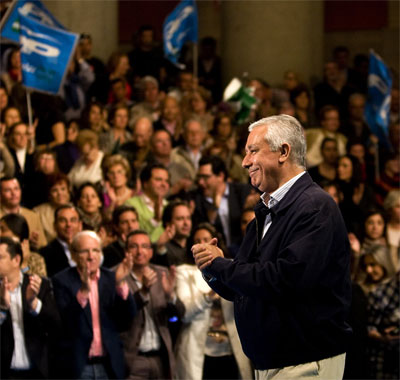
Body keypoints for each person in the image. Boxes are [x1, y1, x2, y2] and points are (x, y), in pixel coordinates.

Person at [192, 115, 352, 378]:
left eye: (253, 151)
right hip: (273, 363)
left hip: (305, 362)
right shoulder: (265, 211)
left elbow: (284, 280)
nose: (245, 162)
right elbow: (245, 288)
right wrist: (212, 268)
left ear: (283, 152)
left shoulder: (315, 207)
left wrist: (222, 265)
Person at [52, 230, 137, 379]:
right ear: (73, 255)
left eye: (95, 250)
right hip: (79, 366)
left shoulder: (111, 277)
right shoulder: (61, 280)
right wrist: (84, 291)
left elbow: (127, 318)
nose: (91, 256)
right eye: (85, 251)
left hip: (109, 364)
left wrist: (120, 284)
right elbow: (65, 322)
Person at [175, 223, 252, 380]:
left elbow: (242, 301)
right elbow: (185, 314)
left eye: (206, 239)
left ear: (215, 242)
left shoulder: (231, 266)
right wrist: (208, 296)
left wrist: (221, 270)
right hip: (200, 350)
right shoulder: (183, 271)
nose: (203, 244)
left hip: (231, 348)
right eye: (198, 241)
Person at [119, 229, 185, 380]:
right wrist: (143, 292)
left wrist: (171, 297)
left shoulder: (162, 273)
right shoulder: (118, 275)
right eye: (133, 246)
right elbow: (118, 316)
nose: (139, 251)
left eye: (144, 246)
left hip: (162, 358)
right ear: (126, 251)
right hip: (133, 359)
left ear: (151, 251)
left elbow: (180, 314)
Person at [0, 236, 60, 379]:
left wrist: (33, 303)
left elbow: (56, 326)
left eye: (0, 257)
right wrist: (2, 308)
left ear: (16, 260)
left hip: (37, 370)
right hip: (5, 371)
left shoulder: (39, 285)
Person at [193, 155, 251, 247]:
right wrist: (216, 202)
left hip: (243, 249)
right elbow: (206, 227)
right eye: (199, 177)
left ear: (220, 176)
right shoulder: (196, 198)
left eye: (205, 177)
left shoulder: (242, 192)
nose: (200, 182)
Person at [125, 163, 170, 243]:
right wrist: (155, 219)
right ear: (145, 183)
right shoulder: (131, 205)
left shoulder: (169, 206)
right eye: (158, 180)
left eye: (166, 181)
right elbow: (134, 233)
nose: (164, 184)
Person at [0, 177, 47, 250]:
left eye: (16, 189)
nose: (13, 193)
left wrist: (34, 243)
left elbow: (43, 245)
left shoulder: (33, 216)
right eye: (8, 190)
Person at [39, 204, 82, 278]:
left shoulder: (90, 249)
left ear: (80, 225)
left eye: (73, 220)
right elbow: (26, 269)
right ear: (54, 226)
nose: (68, 224)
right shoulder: (44, 254)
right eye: (63, 220)